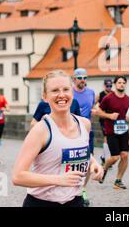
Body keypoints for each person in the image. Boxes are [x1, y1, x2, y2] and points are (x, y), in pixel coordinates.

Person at [12, 70, 103, 207]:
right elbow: (18, 176)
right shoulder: (40, 131)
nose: (61, 95)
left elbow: (81, 151)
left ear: (72, 92)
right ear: (45, 96)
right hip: (42, 202)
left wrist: (94, 163)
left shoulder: (84, 124)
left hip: (75, 200)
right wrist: (58, 179)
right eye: (54, 90)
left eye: (66, 89)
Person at [96, 76, 129, 189]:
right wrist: (109, 116)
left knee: (125, 155)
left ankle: (118, 180)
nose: (121, 84)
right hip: (111, 131)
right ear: (115, 84)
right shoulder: (108, 98)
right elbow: (99, 112)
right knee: (115, 157)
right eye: (119, 82)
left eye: (123, 83)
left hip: (124, 131)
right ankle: (104, 168)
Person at [71, 68, 96, 206]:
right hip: (72, 131)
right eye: (80, 78)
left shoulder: (91, 92)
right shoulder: (69, 93)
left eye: (85, 78)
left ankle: (82, 188)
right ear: (74, 79)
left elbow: (92, 108)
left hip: (87, 131)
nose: (83, 80)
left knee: (87, 162)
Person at [95, 79, 113, 165]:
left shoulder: (113, 94)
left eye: (110, 86)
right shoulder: (100, 94)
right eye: (107, 86)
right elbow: (94, 104)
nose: (109, 87)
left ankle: (103, 156)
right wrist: (98, 109)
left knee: (110, 138)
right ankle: (106, 158)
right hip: (103, 119)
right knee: (106, 137)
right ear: (104, 85)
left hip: (112, 119)